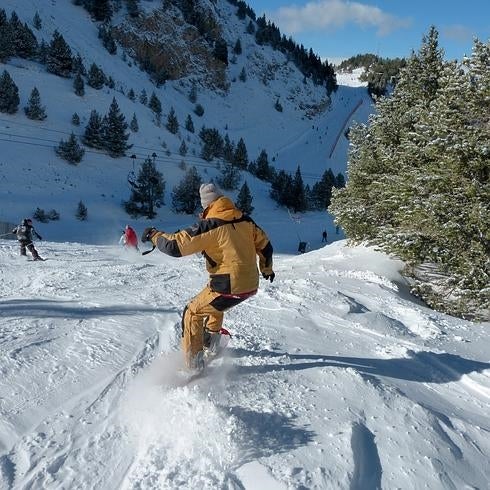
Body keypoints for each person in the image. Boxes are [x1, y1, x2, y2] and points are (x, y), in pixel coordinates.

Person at [141, 183, 274, 371]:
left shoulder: (210, 225)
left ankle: (193, 365)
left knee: (192, 313)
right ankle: (211, 339)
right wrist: (267, 269)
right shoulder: (246, 220)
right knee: (213, 302)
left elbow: (175, 246)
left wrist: (154, 235)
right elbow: (266, 245)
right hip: (250, 284)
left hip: (229, 285)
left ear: (207, 205)